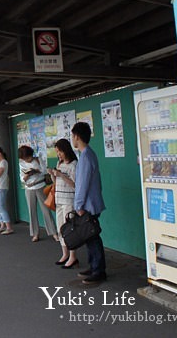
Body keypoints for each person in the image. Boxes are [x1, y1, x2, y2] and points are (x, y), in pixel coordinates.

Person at [71, 122, 107, 285]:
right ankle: (94, 266)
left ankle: (98, 270)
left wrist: (78, 205)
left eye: (72, 136)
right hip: (92, 202)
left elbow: (82, 184)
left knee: (92, 237)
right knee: (90, 236)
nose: (72, 139)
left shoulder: (85, 156)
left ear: (77, 136)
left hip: (87, 205)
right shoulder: (88, 154)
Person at [48, 138, 79, 268]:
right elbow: (56, 182)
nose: (58, 154)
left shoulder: (74, 164)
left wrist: (60, 175)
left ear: (66, 150)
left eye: (60, 151)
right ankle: (64, 254)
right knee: (61, 228)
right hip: (59, 199)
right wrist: (53, 175)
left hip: (69, 201)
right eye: (57, 152)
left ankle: (73, 256)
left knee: (70, 230)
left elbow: (75, 184)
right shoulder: (59, 163)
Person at [18, 145, 58, 242]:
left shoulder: (38, 160)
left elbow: (44, 171)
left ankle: (54, 233)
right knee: (32, 211)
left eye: (29, 157)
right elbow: (22, 179)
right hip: (29, 187)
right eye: (25, 158)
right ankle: (35, 233)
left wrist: (37, 171)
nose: (28, 159)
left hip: (40, 185)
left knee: (46, 210)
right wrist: (27, 176)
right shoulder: (21, 164)